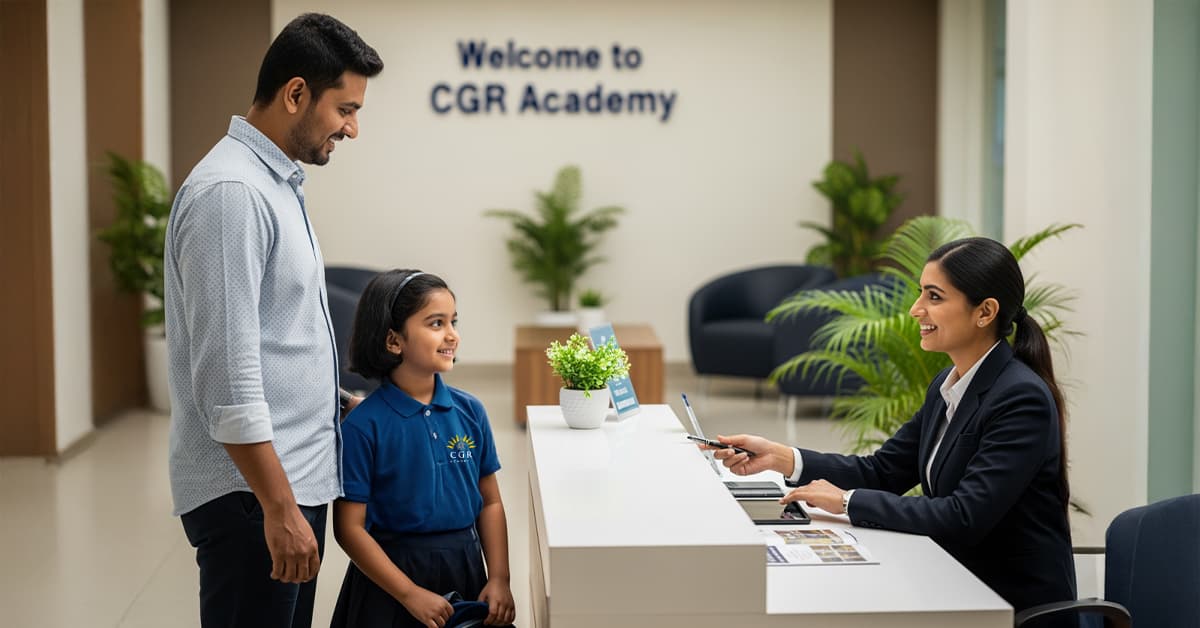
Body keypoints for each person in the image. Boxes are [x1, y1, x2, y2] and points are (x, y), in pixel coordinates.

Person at [709, 237, 1076, 616]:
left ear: (984, 312)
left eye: (934, 297)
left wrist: (847, 501)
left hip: (1008, 606)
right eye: (921, 294)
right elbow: (884, 470)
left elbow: (964, 516)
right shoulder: (949, 385)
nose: (916, 310)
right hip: (951, 581)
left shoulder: (1020, 398)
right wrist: (782, 458)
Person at [164, 13, 383, 628]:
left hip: (283, 485)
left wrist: (334, 400)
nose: (353, 128)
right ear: (295, 94)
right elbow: (227, 383)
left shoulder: (275, 183)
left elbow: (272, 335)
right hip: (253, 498)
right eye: (345, 108)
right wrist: (279, 507)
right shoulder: (232, 194)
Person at [331, 270, 516, 628]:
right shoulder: (361, 427)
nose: (452, 335)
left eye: (453, 322)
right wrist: (408, 593)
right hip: (390, 587)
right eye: (436, 323)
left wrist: (499, 578)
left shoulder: (470, 411)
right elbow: (349, 528)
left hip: (465, 571)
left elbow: (490, 501)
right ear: (394, 341)